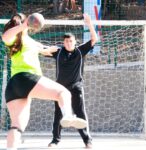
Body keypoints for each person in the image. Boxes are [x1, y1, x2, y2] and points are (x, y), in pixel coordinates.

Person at [2, 13, 87, 150]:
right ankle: (68, 116)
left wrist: (54, 49)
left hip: (13, 86)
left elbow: (45, 50)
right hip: (27, 78)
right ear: (24, 24)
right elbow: (5, 36)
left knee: (17, 126)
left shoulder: (29, 41)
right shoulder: (16, 38)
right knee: (63, 92)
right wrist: (24, 25)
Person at [48, 14, 98, 149]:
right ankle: (55, 141)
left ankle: (87, 140)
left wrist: (89, 23)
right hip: (60, 89)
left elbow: (94, 39)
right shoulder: (58, 52)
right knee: (58, 114)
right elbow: (41, 51)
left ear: (75, 41)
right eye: (66, 41)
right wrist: (47, 50)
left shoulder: (80, 51)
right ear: (63, 43)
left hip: (76, 87)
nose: (68, 43)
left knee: (80, 113)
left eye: (70, 41)